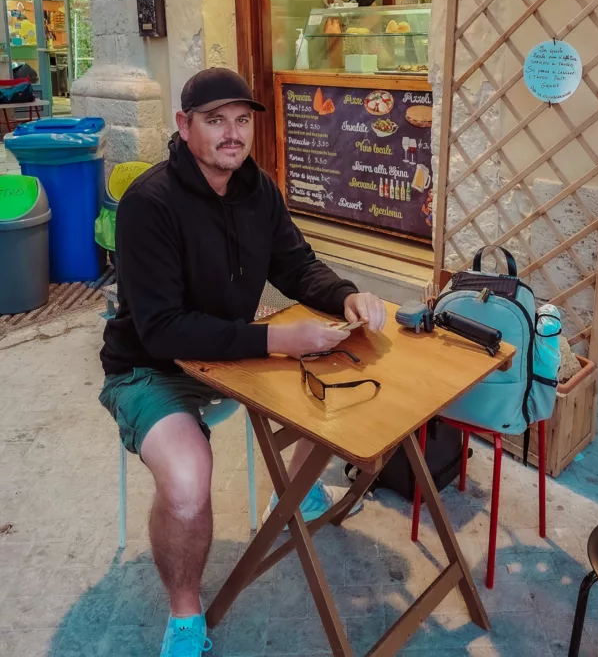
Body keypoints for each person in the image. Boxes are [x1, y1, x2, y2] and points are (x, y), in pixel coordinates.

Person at [98, 67, 386, 657]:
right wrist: (276, 342)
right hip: (151, 367)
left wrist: (346, 294)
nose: (232, 134)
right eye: (214, 120)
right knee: (186, 480)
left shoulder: (258, 190)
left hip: (230, 350)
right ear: (184, 126)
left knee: (348, 381)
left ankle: (299, 490)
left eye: (240, 120)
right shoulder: (148, 204)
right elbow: (161, 329)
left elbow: (297, 265)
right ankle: (185, 615)